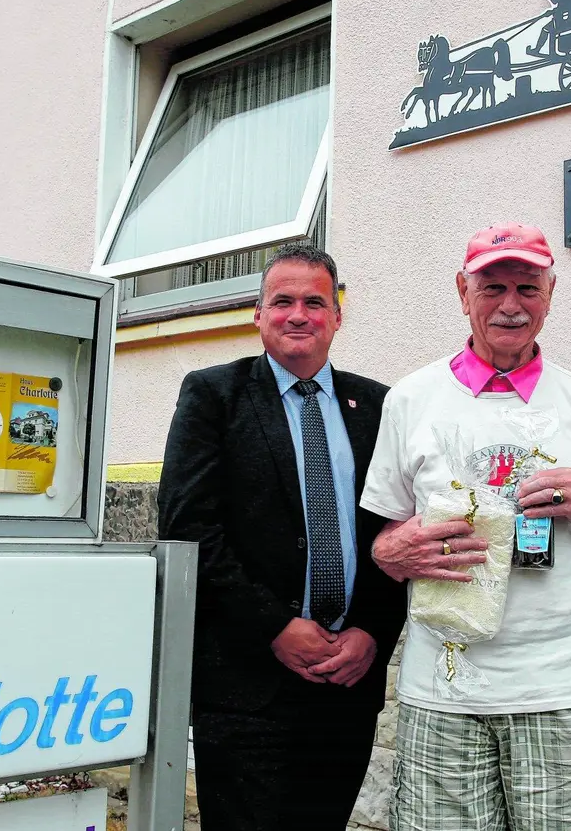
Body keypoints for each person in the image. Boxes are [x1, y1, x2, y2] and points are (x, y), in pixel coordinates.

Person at [363, 222, 571, 830]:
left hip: (565, 686)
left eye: (528, 287)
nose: (511, 305)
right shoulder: (411, 400)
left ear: (551, 293)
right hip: (445, 685)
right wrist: (399, 550)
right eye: (492, 288)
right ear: (462, 292)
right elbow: (382, 545)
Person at [157, 242, 405, 831]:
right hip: (248, 686)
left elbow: (396, 535)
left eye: (315, 302)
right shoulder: (213, 395)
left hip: (347, 681)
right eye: (283, 301)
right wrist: (275, 626)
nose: (299, 314)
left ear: (337, 316)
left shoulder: (378, 405)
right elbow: (188, 528)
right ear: (259, 315)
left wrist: (372, 632)